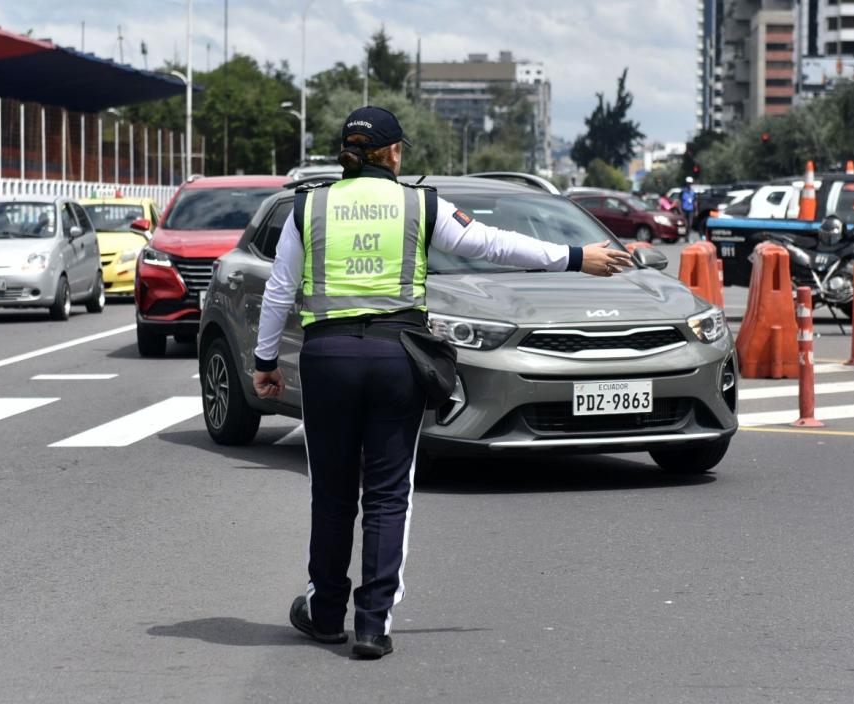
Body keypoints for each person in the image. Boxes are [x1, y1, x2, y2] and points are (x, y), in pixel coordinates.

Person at [252, 106, 633, 660]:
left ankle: (326, 612)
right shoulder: (420, 202)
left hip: (327, 358)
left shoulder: (309, 205)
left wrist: (265, 362)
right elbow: (494, 245)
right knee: (387, 493)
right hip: (395, 356)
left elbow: (280, 290)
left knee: (331, 491)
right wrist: (575, 256)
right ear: (394, 154)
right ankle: (372, 622)